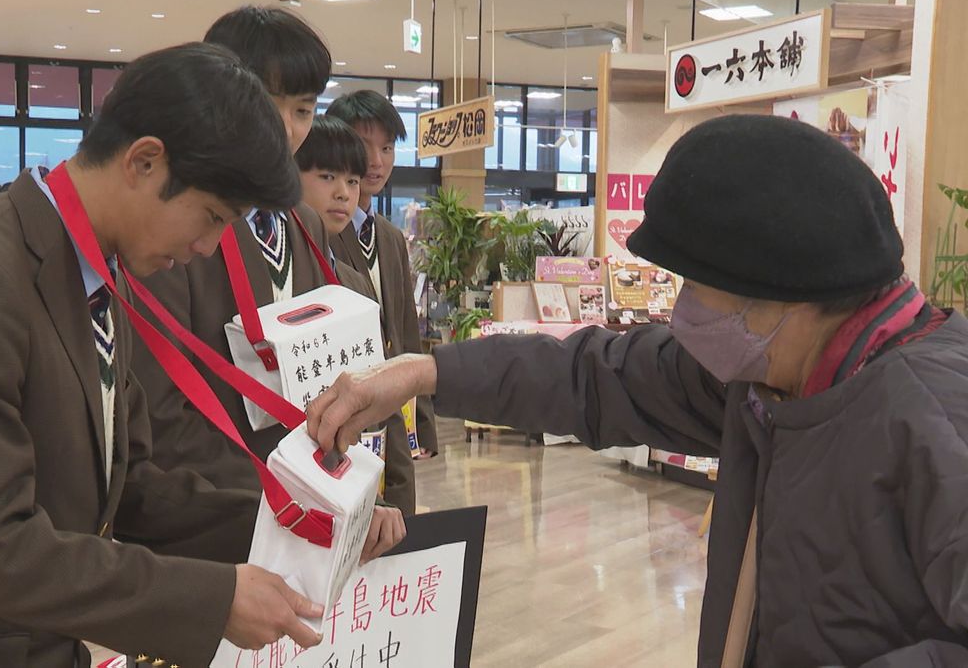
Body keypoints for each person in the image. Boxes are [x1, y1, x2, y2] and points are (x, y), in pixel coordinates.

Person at [307, 114, 968, 667]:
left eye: (697, 284)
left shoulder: (934, 419)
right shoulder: (770, 377)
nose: (684, 310)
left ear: (776, 294)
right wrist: (425, 373)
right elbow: (594, 375)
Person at [0, 43, 324, 668]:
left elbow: (129, 493)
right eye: (211, 217)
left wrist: (301, 523)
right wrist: (211, 600)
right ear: (145, 162)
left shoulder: (97, 277)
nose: (209, 247)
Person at [131, 7, 408, 543]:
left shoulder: (303, 225)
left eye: (302, 109)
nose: (283, 127)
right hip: (213, 525)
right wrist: (290, 498)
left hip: (303, 514)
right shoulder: (177, 229)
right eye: (264, 101)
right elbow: (162, 418)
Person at [296, 114, 416, 512]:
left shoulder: (356, 282)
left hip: (362, 463)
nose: (344, 194)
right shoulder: (283, 279)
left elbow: (383, 374)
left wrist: (397, 479)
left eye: (351, 181)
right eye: (328, 177)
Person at [326, 90, 440, 461]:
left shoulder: (390, 237)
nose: (376, 161)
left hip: (393, 414)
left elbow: (406, 331)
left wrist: (422, 422)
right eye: (364, 145)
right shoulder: (320, 232)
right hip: (343, 415)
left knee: (400, 510)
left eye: (388, 148)